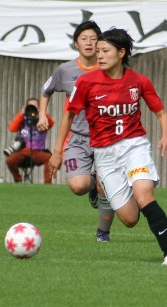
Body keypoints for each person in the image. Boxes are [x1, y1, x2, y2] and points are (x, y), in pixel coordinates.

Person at [49, 28, 167, 265]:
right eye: (98, 51)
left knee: (144, 196)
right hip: (104, 155)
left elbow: (160, 112)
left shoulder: (139, 81)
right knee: (130, 219)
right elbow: (68, 115)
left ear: (121, 53)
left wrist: (166, 137)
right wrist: (57, 152)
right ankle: (117, 190)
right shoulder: (86, 82)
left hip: (134, 146)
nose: (99, 55)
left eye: (104, 50)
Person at [38, 20, 114, 242]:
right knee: (79, 186)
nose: (89, 43)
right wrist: (43, 114)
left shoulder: (109, 68)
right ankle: (91, 183)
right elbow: (46, 90)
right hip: (78, 137)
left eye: (93, 39)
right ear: (76, 43)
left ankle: (103, 233)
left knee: (105, 185)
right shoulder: (65, 70)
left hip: (105, 138)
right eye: (84, 39)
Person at [5, 98, 54, 184]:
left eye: (35, 106)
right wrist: (21, 114)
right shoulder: (23, 119)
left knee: (49, 158)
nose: (32, 109)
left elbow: (51, 123)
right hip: (23, 151)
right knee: (10, 160)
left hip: (38, 151)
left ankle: (48, 184)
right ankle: (18, 181)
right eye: (30, 106)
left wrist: (41, 113)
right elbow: (12, 128)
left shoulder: (43, 120)